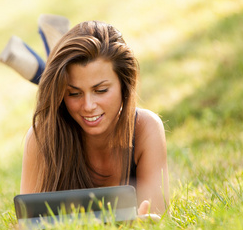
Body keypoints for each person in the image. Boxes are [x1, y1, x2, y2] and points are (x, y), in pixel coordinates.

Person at [20, 20, 169, 216]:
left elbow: (156, 220)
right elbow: (28, 228)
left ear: (125, 85)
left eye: (101, 90)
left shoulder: (145, 128)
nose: (88, 106)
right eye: (74, 93)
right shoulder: (43, 137)